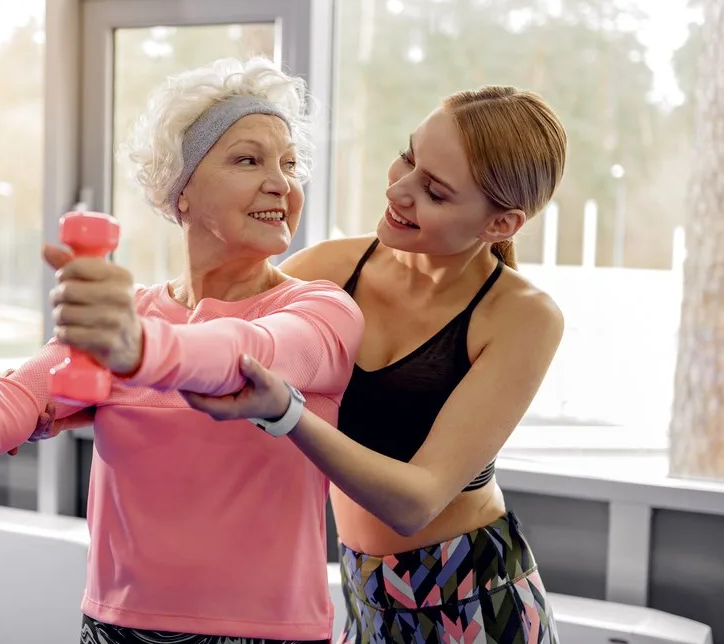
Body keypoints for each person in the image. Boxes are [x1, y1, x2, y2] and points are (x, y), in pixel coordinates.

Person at [0, 56, 364, 644]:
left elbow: (245, 352)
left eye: (290, 164)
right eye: (248, 159)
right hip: (115, 626)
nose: (281, 183)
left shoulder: (321, 313)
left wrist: (135, 348)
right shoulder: (126, 317)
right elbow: (14, 398)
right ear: (179, 191)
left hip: (272, 633)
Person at [181, 86, 566, 643]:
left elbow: (417, 501)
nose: (399, 189)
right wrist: (77, 401)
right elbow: (208, 353)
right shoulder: (329, 270)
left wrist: (286, 414)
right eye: (409, 157)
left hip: (474, 600)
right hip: (363, 594)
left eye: (434, 191)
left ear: (500, 225)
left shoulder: (521, 317)